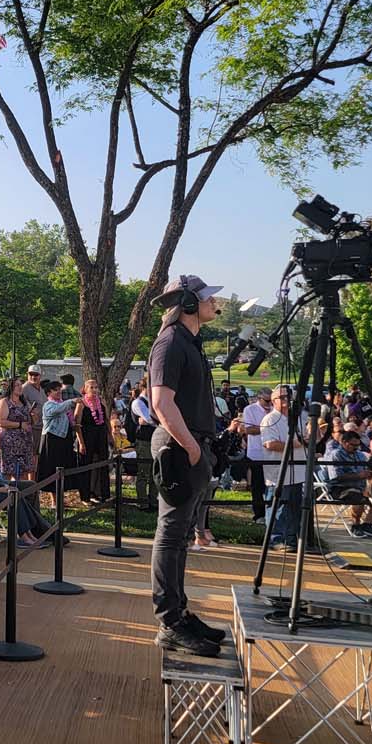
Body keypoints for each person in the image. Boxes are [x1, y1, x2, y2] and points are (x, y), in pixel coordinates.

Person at [147, 274, 227, 656]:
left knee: (180, 537)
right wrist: (192, 447)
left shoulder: (189, 343)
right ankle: (169, 621)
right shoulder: (170, 342)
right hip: (180, 447)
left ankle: (178, 613)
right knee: (171, 533)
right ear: (190, 304)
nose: (216, 303)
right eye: (208, 298)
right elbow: (161, 403)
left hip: (192, 445)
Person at [260, 384, 310, 551]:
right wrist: (294, 444)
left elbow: (307, 439)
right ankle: (275, 539)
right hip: (279, 472)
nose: (286, 400)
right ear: (273, 401)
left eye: (288, 397)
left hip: (298, 471)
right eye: (281, 397)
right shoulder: (270, 419)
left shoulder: (299, 418)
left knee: (294, 506)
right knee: (279, 506)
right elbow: (270, 443)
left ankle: (291, 539)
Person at [322, 427, 372, 536]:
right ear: (344, 442)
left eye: (358, 445)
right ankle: (355, 525)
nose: (356, 448)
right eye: (353, 445)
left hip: (360, 486)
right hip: (340, 488)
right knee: (358, 497)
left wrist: (370, 473)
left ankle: (367, 524)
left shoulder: (360, 455)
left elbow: (366, 470)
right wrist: (358, 475)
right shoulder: (336, 454)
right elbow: (336, 477)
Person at [241, 388, 275, 525]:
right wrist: (269, 427)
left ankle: (271, 513)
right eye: (266, 401)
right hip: (256, 453)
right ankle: (259, 514)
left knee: (272, 486)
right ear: (259, 398)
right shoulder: (250, 410)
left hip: (272, 454)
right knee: (257, 486)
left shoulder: (274, 410)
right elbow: (249, 430)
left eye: (271, 401)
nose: (269, 404)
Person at [36, 380, 81, 483]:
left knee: (63, 467)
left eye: (59, 389)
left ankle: (60, 492)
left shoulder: (62, 404)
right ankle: (53, 496)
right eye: (55, 390)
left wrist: (74, 425)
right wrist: (72, 401)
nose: (58, 392)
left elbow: (67, 416)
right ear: (48, 393)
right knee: (51, 469)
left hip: (63, 440)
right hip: (51, 440)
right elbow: (56, 410)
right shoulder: (48, 405)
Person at [0, 377, 33, 482]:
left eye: (21, 385)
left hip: (24, 443)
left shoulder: (24, 402)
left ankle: (20, 497)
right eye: (17, 385)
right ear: (11, 387)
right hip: (8, 443)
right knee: (7, 473)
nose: (20, 388)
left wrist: (33, 416)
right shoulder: (4, 402)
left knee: (22, 475)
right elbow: (0, 422)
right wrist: (19, 425)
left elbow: (29, 420)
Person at [76, 379, 110, 502]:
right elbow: (76, 424)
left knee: (102, 464)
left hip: (100, 436)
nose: (94, 390)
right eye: (91, 387)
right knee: (86, 465)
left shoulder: (101, 402)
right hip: (86, 436)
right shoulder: (81, 403)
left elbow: (106, 420)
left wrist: (110, 436)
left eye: (96, 387)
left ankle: (101, 493)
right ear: (85, 389)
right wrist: (81, 442)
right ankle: (85, 496)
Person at [129, 377, 157, 511]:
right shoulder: (138, 402)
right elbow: (149, 419)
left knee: (155, 472)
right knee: (144, 472)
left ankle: (153, 500)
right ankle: (142, 502)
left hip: (155, 439)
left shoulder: (152, 401)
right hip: (144, 440)